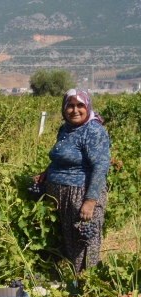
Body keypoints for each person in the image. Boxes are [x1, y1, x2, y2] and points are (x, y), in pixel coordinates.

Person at [39, 88, 111, 274]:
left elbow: (101, 166)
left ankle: (84, 287)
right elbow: (60, 157)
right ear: (64, 108)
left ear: (87, 107)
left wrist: (90, 201)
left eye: (80, 105)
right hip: (61, 194)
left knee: (83, 243)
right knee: (66, 242)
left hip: (81, 194)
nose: (75, 110)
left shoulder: (93, 131)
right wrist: (46, 172)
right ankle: (67, 284)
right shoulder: (65, 129)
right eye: (70, 106)